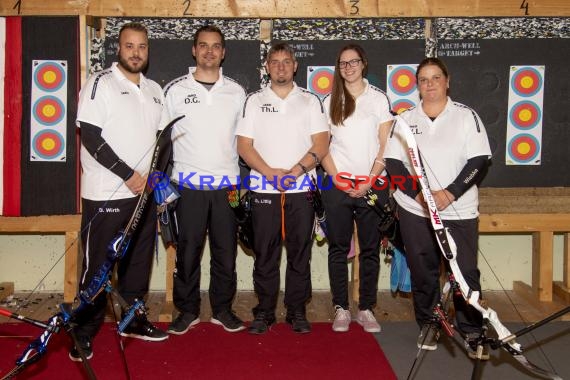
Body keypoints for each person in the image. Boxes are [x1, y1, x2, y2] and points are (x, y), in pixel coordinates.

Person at [71, 22, 168, 362]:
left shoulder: (155, 89)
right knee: (98, 268)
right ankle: (82, 333)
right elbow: (93, 138)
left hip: (142, 195)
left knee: (137, 265)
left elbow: (162, 141)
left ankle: (132, 321)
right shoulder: (100, 83)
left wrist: (155, 179)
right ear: (119, 49)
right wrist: (128, 175)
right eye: (130, 46)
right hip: (106, 194)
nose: (136, 52)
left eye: (142, 46)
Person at [384, 57, 492, 359]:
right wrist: (418, 194)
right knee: (423, 271)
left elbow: (479, 160)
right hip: (415, 210)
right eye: (423, 79)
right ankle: (430, 323)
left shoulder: (466, 117)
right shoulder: (405, 119)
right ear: (417, 85)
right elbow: (393, 163)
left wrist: (450, 193)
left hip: (458, 210)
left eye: (435, 78)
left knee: (465, 272)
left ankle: (471, 331)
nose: (429, 84)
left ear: (447, 81)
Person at [236, 43, 329, 334]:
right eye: (274, 62)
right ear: (266, 66)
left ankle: (297, 310)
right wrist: (270, 173)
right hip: (264, 189)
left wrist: (297, 170)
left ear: (295, 65)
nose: (280, 66)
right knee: (265, 253)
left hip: (301, 188)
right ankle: (264, 311)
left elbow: (322, 144)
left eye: (285, 61)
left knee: (300, 253)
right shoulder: (253, 100)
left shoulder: (311, 101)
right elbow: (243, 146)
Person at [162, 25, 247, 334]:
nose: (209, 51)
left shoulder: (237, 92)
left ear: (223, 53)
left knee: (226, 252)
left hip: (228, 187)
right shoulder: (174, 90)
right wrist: (160, 182)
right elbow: (162, 141)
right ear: (194, 50)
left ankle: (223, 309)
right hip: (187, 186)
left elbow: (245, 141)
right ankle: (187, 311)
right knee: (187, 252)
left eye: (215, 46)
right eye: (203, 45)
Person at [320, 44, 393, 333]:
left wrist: (370, 180)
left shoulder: (378, 99)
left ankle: (365, 308)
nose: (348, 67)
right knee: (338, 248)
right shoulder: (329, 100)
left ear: (363, 64)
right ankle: (341, 307)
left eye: (353, 62)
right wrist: (337, 178)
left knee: (370, 249)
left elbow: (386, 144)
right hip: (337, 185)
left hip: (372, 184)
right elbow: (321, 145)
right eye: (342, 63)